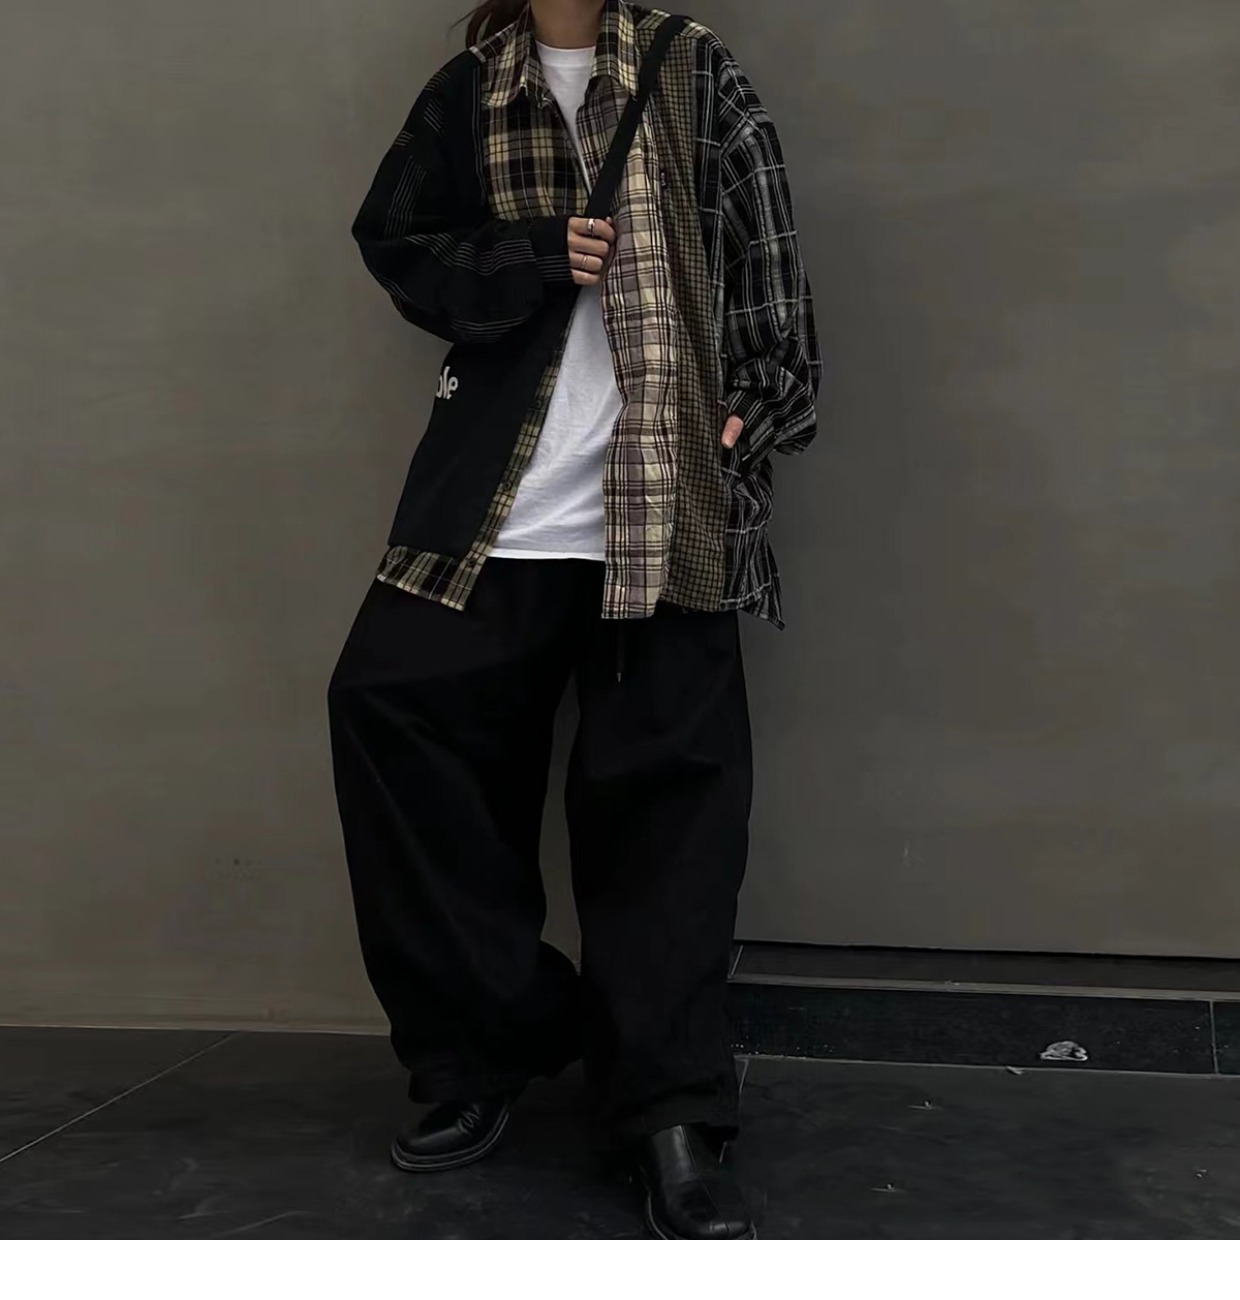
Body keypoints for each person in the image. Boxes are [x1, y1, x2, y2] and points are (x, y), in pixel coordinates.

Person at [328, 0, 820, 1240]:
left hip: (662, 505)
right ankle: (495, 1038)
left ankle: (669, 1112)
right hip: (498, 504)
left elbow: (771, 266)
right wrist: (534, 254)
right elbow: (399, 244)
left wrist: (748, 411)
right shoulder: (468, 91)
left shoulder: (694, 71)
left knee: (668, 813)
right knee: (389, 714)